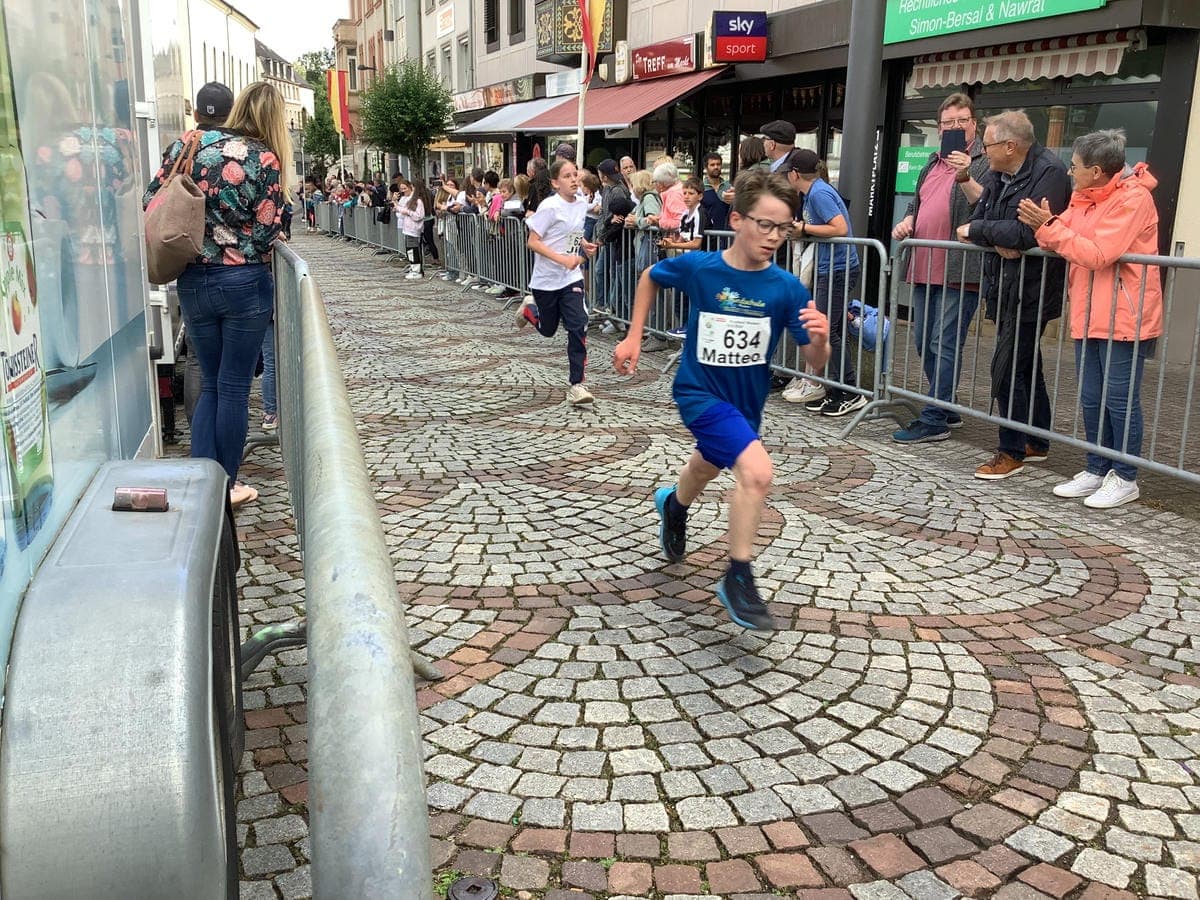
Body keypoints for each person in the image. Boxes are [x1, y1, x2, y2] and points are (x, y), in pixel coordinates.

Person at [612, 169, 830, 631]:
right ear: (736, 220)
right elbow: (651, 275)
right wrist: (633, 337)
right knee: (757, 472)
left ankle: (674, 506)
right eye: (764, 224)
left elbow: (815, 362)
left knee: (707, 465)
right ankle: (738, 575)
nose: (773, 236)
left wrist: (820, 340)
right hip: (698, 391)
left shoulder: (786, 288)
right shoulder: (702, 269)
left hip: (745, 403)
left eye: (784, 227)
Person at [143, 81, 290, 509]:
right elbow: (268, 230)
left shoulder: (183, 147)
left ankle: (202, 480)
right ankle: (226, 484)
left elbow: (153, 199)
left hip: (193, 279)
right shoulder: (262, 157)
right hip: (243, 282)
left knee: (209, 382)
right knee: (233, 388)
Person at [1017, 129, 1162, 508]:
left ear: (1096, 171)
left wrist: (1050, 227)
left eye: (1075, 166)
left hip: (1126, 315)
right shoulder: (1084, 197)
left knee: (1119, 400)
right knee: (1092, 398)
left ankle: (1126, 476)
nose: (1069, 171)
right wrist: (1050, 227)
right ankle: (1097, 468)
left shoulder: (1134, 198)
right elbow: (1060, 238)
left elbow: (1098, 253)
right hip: (1089, 311)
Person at [956, 109, 1069, 480]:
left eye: (987, 145)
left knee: (1006, 367)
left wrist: (980, 230)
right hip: (1005, 284)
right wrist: (992, 232)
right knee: (1026, 363)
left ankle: (1011, 450)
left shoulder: (1049, 173)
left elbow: (1029, 235)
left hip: (1032, 289)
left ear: (1010, 145)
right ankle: (1036, 438)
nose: (983, 152)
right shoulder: (999, 173)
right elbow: (989, 214)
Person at [891, 92, 991, 443]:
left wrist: (964, 174)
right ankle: (945, 405)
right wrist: (906, 221)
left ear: (974, 124)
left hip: (959, 269)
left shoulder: (982, 161)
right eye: (947, 122)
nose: (954, 127)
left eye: (961, 121)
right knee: (923, 341)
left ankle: (934, 418)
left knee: (943, 342)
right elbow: (918, 205)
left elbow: (986, 206)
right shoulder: (932, 163)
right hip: (923, 265)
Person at [785, 149, 864, 418]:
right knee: (828, 330)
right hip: (830, 267)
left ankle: (849, 391)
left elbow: (839, 228)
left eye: (788, 172)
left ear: (795, 174)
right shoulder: (814, 192)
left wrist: (804, 229)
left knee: (827, 331)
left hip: (837, 268)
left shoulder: (818, 193)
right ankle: (837, 388)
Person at [517, 159, 599, 405]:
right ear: (555, 182)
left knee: (578, 325)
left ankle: (577, 385)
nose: (574, 179)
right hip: (546, 281)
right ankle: (530, 309)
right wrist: (562, 260)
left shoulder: (582, 203)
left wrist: (583, 245)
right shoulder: (549, 207)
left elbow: (573, 232)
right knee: (548, 330)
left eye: (575, 174)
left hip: (571, 279)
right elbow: (533, 241)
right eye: (567, 176)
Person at [396, 178, 428, 280]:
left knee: (414, 249)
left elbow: (419, 216)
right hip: (408, 228)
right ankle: (413, 267)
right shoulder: (411, 201)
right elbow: (402, 213)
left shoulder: (418, 201)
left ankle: (417, 269)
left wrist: (407, 212)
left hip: (414, 229)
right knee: (409, 249)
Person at [700, 152, 732, 233]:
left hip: (726, 234)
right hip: (707, 235)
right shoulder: (700, 188)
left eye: (718, 164)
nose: (716, 167)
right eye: (712, 165)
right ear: (706, 167)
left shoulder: (729, 187)